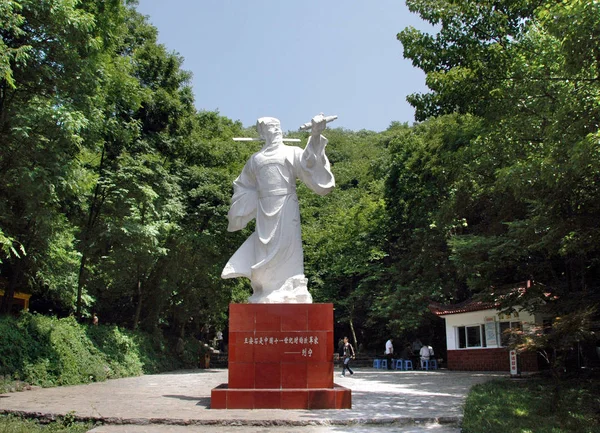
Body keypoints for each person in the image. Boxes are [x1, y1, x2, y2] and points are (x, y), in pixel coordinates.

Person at [221, 115, 335, 303]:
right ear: (262, 134)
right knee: (264, 248)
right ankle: (266, 289)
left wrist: (315, 134)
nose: (274, 131)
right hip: (264, 208)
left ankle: (293, 286)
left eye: (276, 127)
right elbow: (243, 185)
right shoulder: (255, 160)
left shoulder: (291, 152)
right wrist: (245, 206)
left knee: (289, 245)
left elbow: (309, 163)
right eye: (268, 129)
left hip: (287, 205)